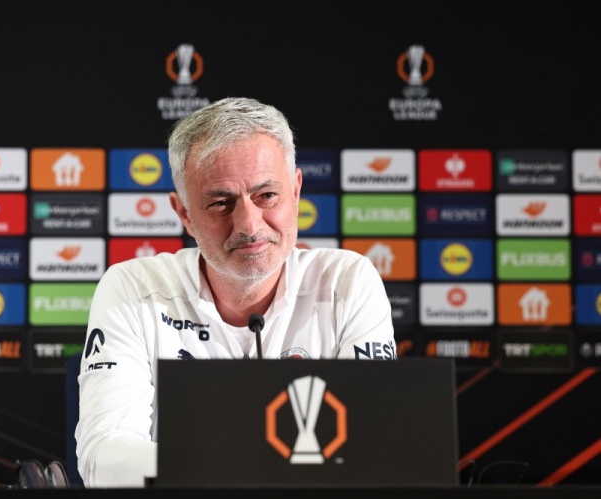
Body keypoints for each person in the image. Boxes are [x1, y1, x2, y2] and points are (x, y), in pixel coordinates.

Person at [75, 97, 396, 488]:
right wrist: (259, 462)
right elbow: (103, 459)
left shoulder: (348, 281)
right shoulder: (132, 289)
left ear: (296, 190)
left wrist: (219, 464)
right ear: (184, 213)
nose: (249, 224)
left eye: (267, 196)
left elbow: (378, 451)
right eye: (220, 202)